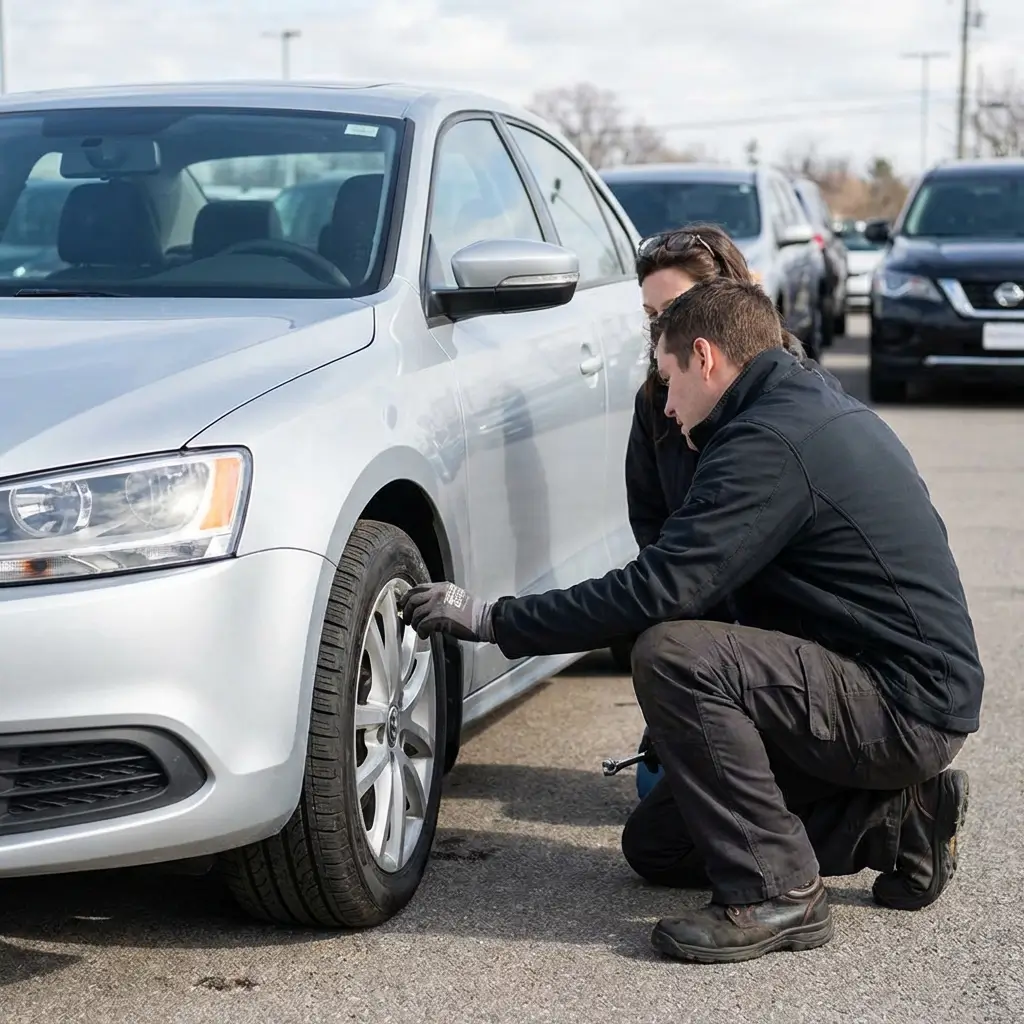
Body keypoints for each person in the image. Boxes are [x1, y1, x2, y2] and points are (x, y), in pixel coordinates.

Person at [399, 277, 983, 964]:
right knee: (660, 846)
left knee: (672, 652)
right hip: (875, 683)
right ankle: (897, 822)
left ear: (705, 358)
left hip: (902, 703)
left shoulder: (770, 442)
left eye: (668, 378)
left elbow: (659, 590)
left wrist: (492, 617)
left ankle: (780, 893)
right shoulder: (799, 405)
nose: (666, 405)